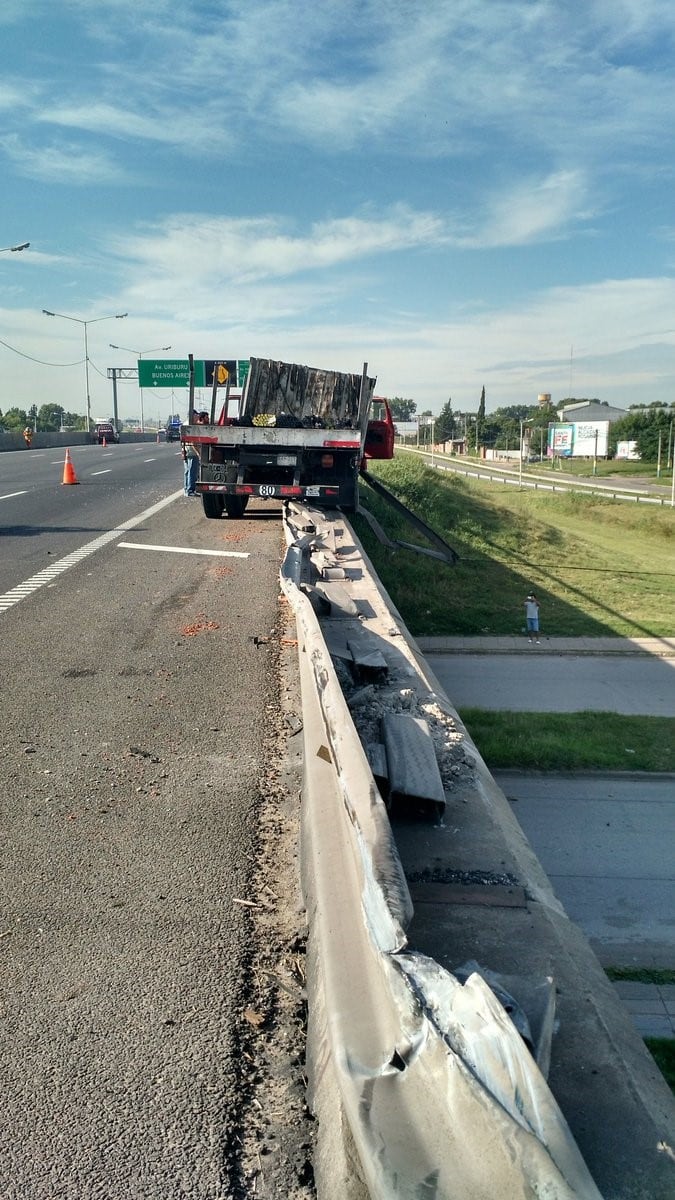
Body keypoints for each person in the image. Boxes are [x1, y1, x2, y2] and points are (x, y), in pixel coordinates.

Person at [181, 410, 206, 496]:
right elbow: (192, 442)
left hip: (186, 451)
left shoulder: (185, 424)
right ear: (193, 415)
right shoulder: (190, 426)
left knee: (187, 471)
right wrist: (199, 454)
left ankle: (186, 489)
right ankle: (190, 490)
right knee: (192, 471)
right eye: (196, 415)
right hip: (192, 452)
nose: (198, 417)